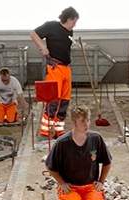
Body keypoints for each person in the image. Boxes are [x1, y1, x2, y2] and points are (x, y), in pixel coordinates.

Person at [45, 104, 110, 200]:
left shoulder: (96, 138)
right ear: (73, 123)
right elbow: (50, 166)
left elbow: (107, 162)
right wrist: (62, 183)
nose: (87, 124)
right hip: (71, 187)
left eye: (88, 120)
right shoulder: (62, 143)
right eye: (82, 121)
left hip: (90, 186)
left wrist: (101, 181)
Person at [30, 7, 78, 138]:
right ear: (68, 19)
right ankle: (45, 133)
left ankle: (58, 131)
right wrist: (42, 47)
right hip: (54, 68)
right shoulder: (51, 26)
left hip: (66, 68)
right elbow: (33, 33)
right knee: (52, 101)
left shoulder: (70, 32)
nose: (75, 25)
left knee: (64, 101)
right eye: (74, 22)